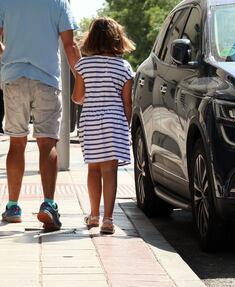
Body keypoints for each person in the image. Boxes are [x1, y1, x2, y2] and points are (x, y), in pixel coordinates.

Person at [0, 0, 81, 230]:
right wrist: (81, 79)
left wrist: (6, 56)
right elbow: (70, 45)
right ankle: (48, 205)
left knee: (17, 143)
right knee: (47, 143)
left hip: (14, 78)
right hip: (47, 79)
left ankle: (13, 207)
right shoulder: (58, 3)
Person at [72, 17, 135, 234]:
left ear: (91, 38)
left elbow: (77, 97)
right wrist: (125, 126)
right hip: (115, 120)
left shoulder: (83, 65)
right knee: (110, 170)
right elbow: (127, 102)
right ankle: (108, 219)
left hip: (91, 120)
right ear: (118, 38)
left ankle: (94, 215)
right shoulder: (124, 66)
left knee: (93, 167)